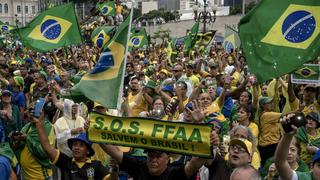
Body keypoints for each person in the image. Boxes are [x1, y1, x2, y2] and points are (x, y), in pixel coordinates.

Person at [32, 112, 115, 180]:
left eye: (81, 145)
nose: (76, 147)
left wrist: (114, 171)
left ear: (88, 150)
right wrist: (38, 124)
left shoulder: (96, 166)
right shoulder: (65, 162)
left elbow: (110, 179)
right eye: (74, 144)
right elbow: (47, 148)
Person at [275, 113, 320, 180]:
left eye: (313, 120)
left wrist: (316, 150)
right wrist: (287, 136)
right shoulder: (304, 178)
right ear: (312, 168)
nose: (310, 121)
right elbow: (280, 163)